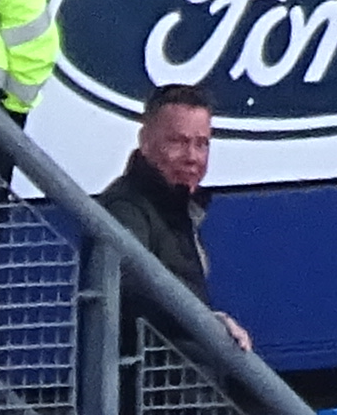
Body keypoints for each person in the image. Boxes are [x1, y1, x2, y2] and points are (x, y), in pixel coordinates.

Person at [90, 84, 240, 339]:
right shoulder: (124, 208)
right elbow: (129, 291)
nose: (192, 157)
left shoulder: (180, 206)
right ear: (145, 141)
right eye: (178, 142)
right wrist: (208, 325)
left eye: (201, 144)